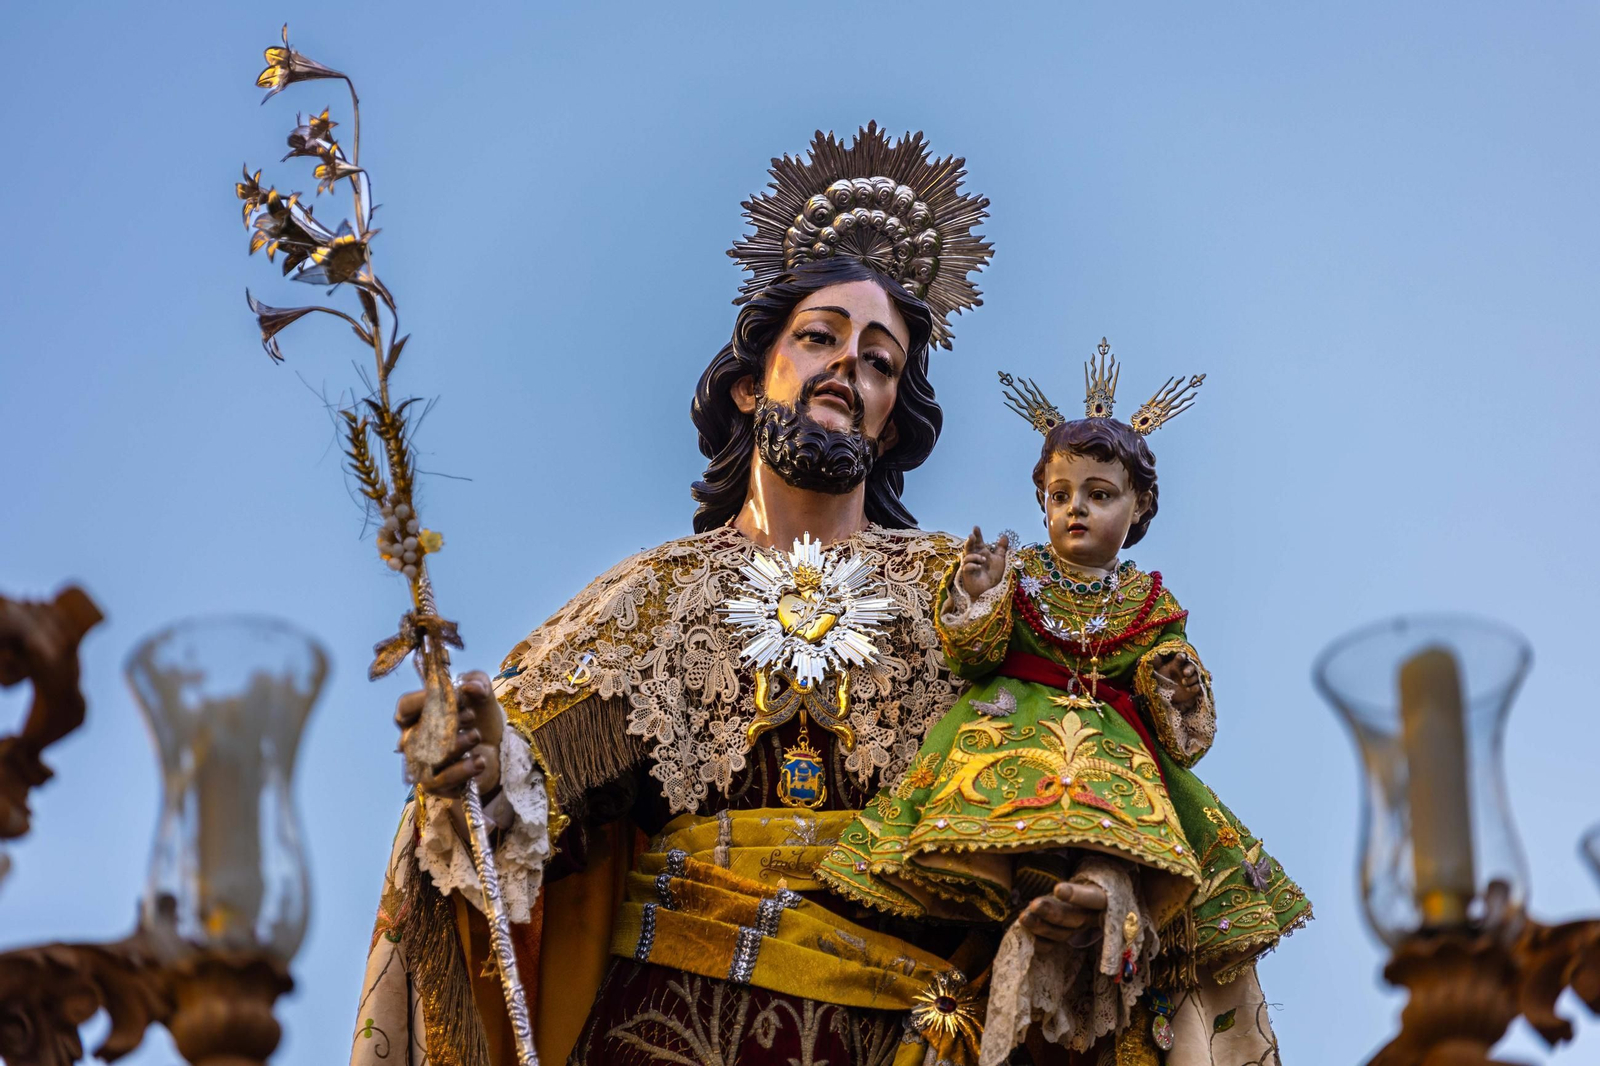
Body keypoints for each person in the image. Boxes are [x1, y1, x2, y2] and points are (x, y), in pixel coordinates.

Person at [351, 124, 1117, 1066]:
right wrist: (482, 759)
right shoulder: (655, 597)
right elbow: (532, 793)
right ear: (754, 384)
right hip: (665, 1027)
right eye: (822, 339)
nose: (850, 367)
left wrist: (1099, 878)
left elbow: (1075, 775)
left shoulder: (959, 593)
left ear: (890, 419)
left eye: (882, 361)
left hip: (907, 1035)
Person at [816, 347, 1312, 1063]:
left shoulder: (1151, 601)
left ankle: (1100, 896)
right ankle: (1023, 891)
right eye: (1060, 494)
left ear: (1139, 507)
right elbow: (974, 655)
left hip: (1115, 753)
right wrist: (978, 592)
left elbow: (1181, 720)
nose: (1076, 508)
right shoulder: (1023, 577)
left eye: (1100, 494)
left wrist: (1176, 681)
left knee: (1133, 819)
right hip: (1010, 730)